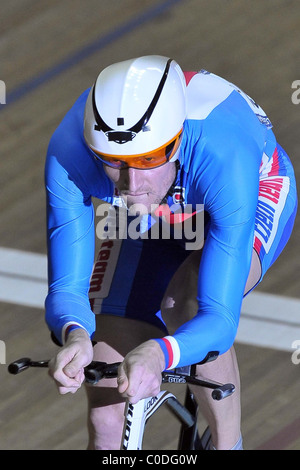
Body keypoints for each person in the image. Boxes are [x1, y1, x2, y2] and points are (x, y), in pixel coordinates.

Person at [45, 55, 297, 450]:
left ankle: (227, 445)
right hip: (153, 216)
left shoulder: (222, 153)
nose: (132, 183)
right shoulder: (70, 152)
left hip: (242, 189)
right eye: (114, 162)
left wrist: (160, 354)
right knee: (106, 411)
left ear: (176, 140)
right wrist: (74, 333)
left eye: (148, 159)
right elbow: (66, 287)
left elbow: (219, 317)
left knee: (188, 304)